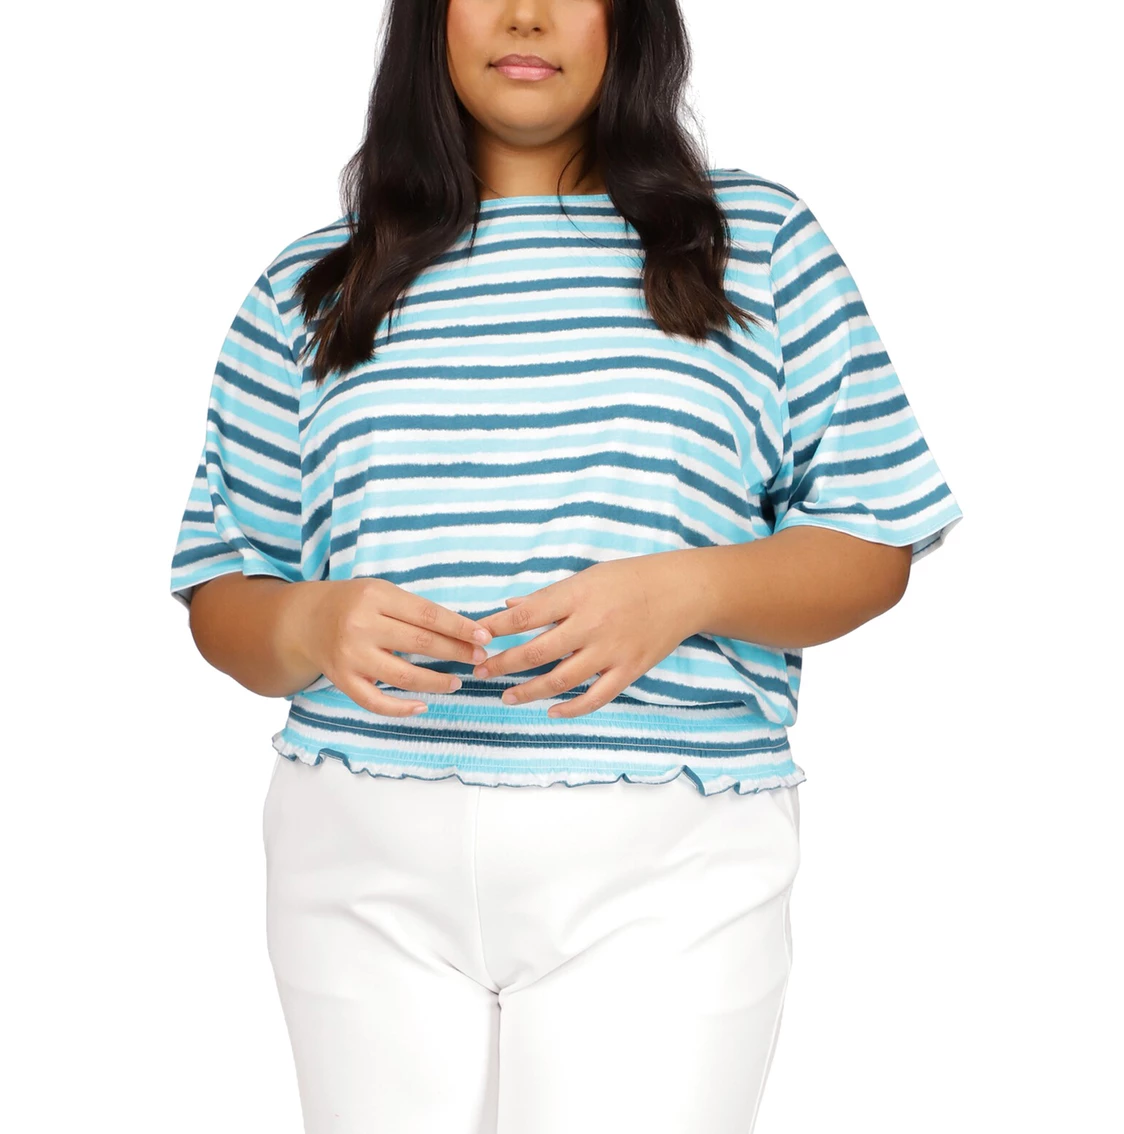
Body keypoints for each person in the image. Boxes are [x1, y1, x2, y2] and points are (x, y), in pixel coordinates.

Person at [168, 1, 964, 1131]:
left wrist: (689, 590)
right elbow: (223, 593)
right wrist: (311, 625)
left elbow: (873, 537)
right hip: (357, 853)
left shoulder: (754, 242)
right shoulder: (315, 284)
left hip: (667, 853)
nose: (527, 16)